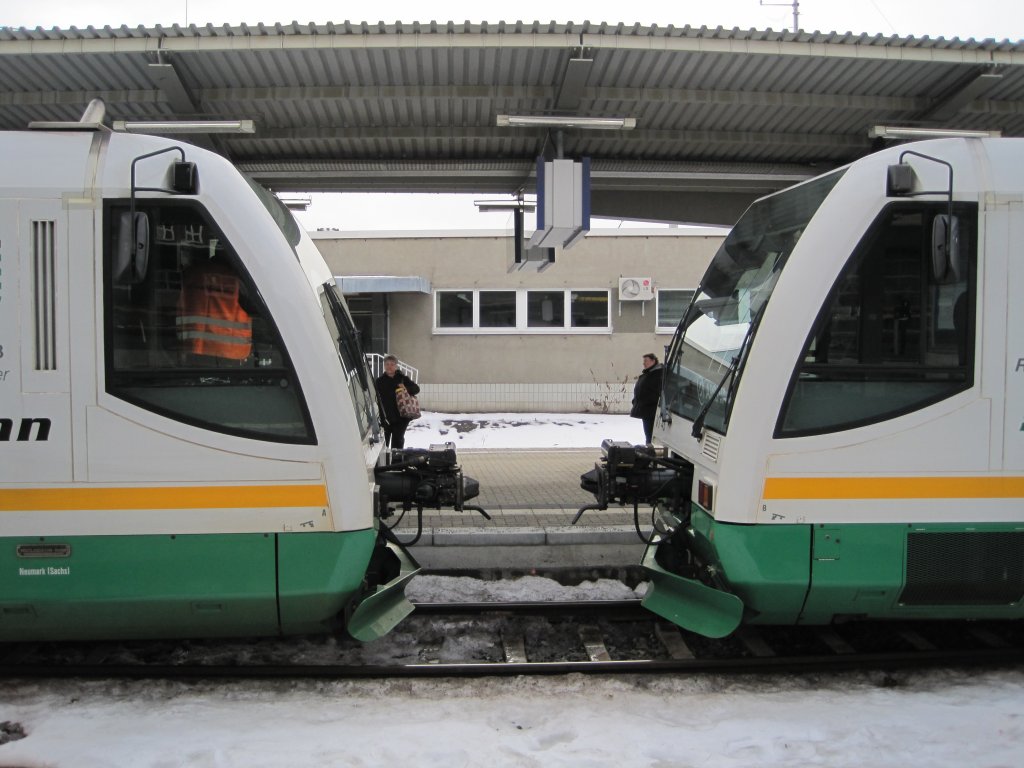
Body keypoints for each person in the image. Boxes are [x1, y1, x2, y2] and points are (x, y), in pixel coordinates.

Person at [375, 354, 420, 449]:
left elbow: (416, 389)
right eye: (387, 364)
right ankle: (386, 463)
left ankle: (397, 462)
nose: (389, 366)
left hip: (401, 417)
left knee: (398, 442)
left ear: (396, 366)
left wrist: (406, 388)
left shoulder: (402, 378)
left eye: (392, 364)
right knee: (383, 444)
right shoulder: (379, 381)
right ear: (384, 366)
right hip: (385, 418)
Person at [630, 353, 663, 444]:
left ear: (653, 361)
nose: (644, 363)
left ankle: (650, 450)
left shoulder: (657, 374)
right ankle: (649, 448)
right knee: (648, 433)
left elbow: (656, 392)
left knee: (650, 434)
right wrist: (636, 401)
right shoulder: (649, 373)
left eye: (646, 361)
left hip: (651, 410)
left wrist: (645, 401)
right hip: (646, 409)